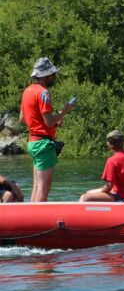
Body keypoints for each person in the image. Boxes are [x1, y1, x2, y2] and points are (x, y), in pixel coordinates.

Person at [20, 57, 76, 203]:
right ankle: (36, 222)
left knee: (37, 186)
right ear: (46, 76)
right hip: (43, 144)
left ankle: (30, 219)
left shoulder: (27, 91)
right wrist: (64, 111)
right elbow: (49, 121)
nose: (54, 77)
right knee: (44, 187)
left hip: (33, 142)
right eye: (53, 74)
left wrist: (52, 122)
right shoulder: (44, 93)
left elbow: (23, 119)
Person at [79, 130, 124, 202]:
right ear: (123, 142)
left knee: (85, 197)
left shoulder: (112, 160)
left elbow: (109, 186)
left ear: (109, 145)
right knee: (89, 192)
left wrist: (101, 194)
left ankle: (78, 212)